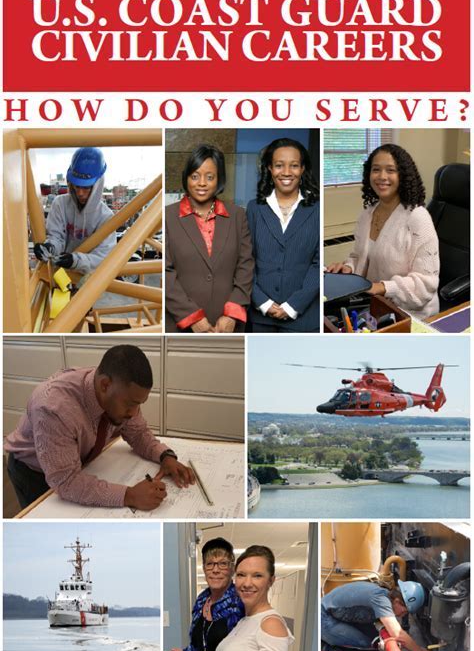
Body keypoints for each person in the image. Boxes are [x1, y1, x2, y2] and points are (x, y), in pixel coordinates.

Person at [5, 344, 194, 510]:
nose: (134, 412)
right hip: (34, 471)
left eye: (139, 404)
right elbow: (66, 481)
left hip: (78, 461)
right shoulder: (53, 408)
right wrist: (130, 496)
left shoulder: (118, 391)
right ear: (105, 385)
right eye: (130, 404)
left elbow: (138, 433)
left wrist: (165, 456)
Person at [326, 144, 440, 319]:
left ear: (403, 175)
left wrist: (382, 287)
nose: (382, 176)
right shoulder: (367, 213)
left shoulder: (418, 218)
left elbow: (426, 284)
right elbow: (359, 256)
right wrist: (348, 268)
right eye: (376, 169)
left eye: (390, 170)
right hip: (374, 306)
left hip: (411, 315)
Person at [165, 144, 254, 333]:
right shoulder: (167, 217)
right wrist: (192, 317)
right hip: (181, 325)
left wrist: (232, 313)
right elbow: (166, 273)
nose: (202, 183)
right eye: (195, 176)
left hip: (228, 325)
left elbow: (245, 266)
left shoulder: (238, 216)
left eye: (210, 177)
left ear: (219, 180)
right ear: (186, 178)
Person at [246, 138, 320, 332]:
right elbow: (245, 260)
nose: (286, 172)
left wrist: (293, 305)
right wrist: (262, 302)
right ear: (269, 168)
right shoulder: (254, 209)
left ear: (303, 169)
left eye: (294, 165)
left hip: (304, 319)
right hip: (260, 318)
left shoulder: (317, 209)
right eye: (279, 165)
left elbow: (318, 264)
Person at [166, 537, 245, 651]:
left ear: (232, 569)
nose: (215, 570)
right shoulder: (201, 600)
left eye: (222, 564)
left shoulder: (241, 602)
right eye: (210, 564)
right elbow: (200, 644)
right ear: (204, 568)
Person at [33, 147, 116, 274]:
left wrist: (75, 261)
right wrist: (50, 247)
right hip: (60, 276)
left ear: (98, 185)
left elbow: (103, 257)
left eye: (86, 187)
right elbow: (56, 237)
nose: (80, 193)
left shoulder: (106, 217)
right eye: (77, 186)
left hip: (89, 281)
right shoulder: (60, 204)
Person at [321, 580, 433, 651]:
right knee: (366, 644)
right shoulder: (381, 600)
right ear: (398, 601)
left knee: (374, 637)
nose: (403, 615)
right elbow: (398, 634)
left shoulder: (385, 594)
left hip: (335, 613)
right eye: (404, 611)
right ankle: (327, 647)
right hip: (324, 617)